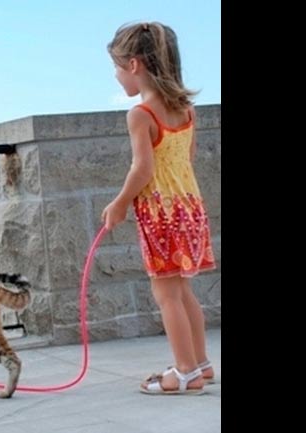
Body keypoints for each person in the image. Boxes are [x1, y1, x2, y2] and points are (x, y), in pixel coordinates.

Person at [101, 21, 217, 395]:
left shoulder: (141, 115)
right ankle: (201, 362)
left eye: (118, 67)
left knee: (166, 295)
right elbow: (186, 158)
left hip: (162, 216)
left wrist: (119, 203)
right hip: (189, 209)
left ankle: (184, 372)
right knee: (183, 293)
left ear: (134, 65)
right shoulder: (186, 111)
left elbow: (143, 168)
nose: (117, 76)